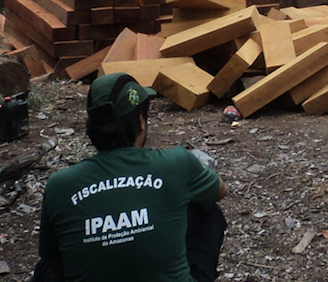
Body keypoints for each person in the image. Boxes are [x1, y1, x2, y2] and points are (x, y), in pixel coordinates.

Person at [34, 73, 228, 282]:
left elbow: (55, 262)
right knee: (208, 211)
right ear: (141, 122)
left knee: (45, 265)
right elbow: (219, 191)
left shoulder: (59, 185)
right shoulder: (177, 162)